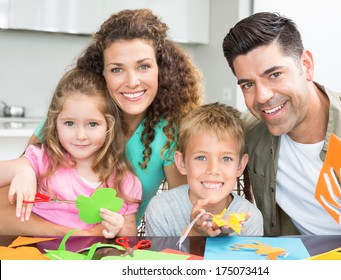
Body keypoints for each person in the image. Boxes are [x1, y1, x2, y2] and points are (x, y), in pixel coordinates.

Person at [0, 9, 203, 234]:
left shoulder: (168, 134)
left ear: (161, 70)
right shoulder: (70, 117)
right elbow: (6, 205)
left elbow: (182, 215)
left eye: (143, 66)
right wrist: (24, 169)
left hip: (109, 249)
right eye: (117, 69)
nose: (132, 81)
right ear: (101, 73)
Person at [222, 12, 341, 237]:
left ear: (306, 65)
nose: (262, 96)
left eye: (274, 75)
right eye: (248, 85)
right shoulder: (250, 133)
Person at [0, 68, 142, 238]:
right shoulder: (43, 159)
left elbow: (130, 237)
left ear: (109, 127)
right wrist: (22, 170)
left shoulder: (124, 182)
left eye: (92, 124)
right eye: (69, 123)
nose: (80, 136)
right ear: (55, 123)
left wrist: (118, 228)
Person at [145, 102, 264, 236]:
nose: (213, 170)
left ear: (240, 165)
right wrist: (195, 233)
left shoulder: (250, 219)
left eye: (226, 159)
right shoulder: (161, 209)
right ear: (182, 162)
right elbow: (159, 257)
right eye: (201, 158)